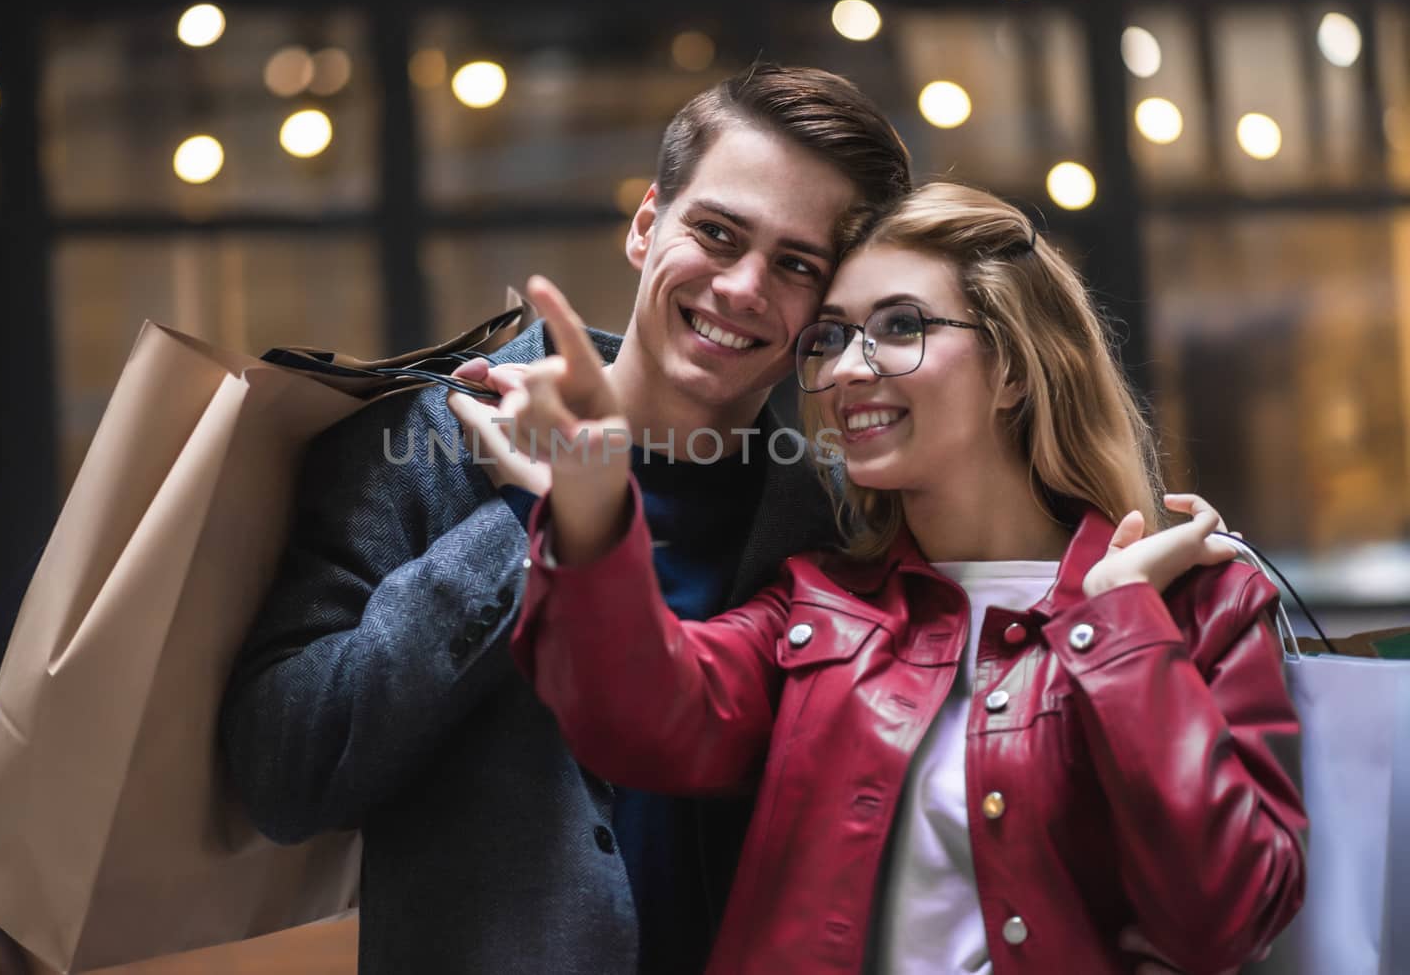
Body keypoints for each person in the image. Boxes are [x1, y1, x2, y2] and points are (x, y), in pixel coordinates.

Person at [500, 182, 1308, 973]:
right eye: (831, 337)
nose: (849, 369)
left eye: (899, 327)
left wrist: (1119, 622)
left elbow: (1228, 917)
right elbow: (636, 720)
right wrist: (594, 494)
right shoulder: (818, 606)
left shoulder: (1202, 609)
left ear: (1015, 370)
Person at [218, 63, 913, 973]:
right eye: (715, 233)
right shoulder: (427, 441)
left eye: (795, 265)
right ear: (645, 226)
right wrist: (524, 514)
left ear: (828, 311)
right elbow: (284, 771)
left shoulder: (834, 516)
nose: (744, 287)